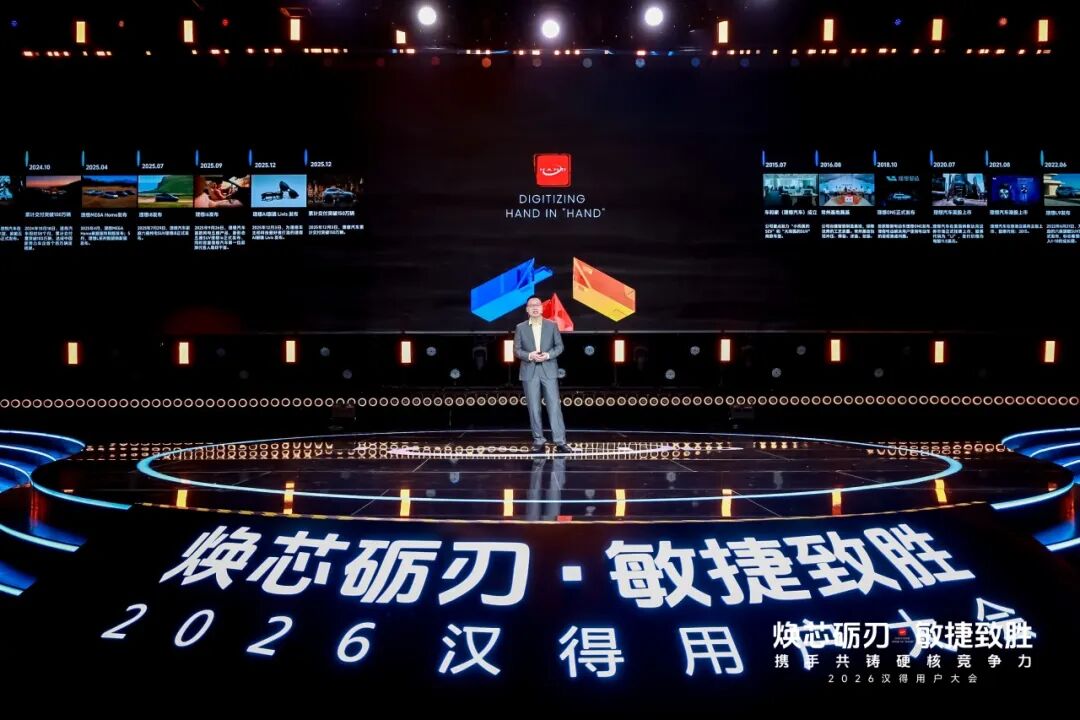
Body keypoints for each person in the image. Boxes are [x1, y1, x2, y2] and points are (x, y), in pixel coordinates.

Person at [514, 297, 573, 452]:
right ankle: (538, 439)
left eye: (537, 305)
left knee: (554, 406)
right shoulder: (520, 327)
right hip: (530, 370)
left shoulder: (552, 325)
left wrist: (547, 355)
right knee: (534, 408)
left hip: (549, 370)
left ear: (541, 308)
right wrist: (530, 355)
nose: (535, 308)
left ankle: (560, 441)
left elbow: (559, 346)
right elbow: (517, 350)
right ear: (527, 309)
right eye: (531, 305)